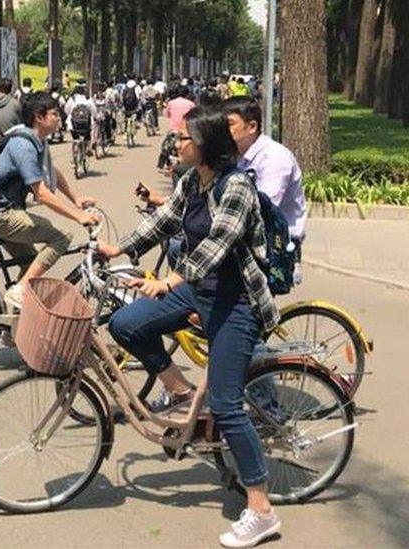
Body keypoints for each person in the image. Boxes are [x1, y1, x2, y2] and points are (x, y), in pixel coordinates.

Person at [100, 106, 280, 548]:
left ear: (206, 146)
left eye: (184, 139)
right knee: (125, 323)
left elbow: (218, 245)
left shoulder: (236, 186)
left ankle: (261, 510)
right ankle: (180, 391)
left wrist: (168, 280)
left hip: (236, 302)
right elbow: (163, 222)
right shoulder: (190, 183)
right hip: (199, 293)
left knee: (227, 406)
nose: (176, 144)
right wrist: (117, 249)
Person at [0, 92, 99, 309]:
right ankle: (20, 291)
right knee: (61, 238)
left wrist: (75, 198)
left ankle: (13, 326)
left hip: (3, 211)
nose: (59, 117)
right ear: (38, 117)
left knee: (33, 264)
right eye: (54, 114)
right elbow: (41, 193)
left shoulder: (36, 140)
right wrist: (78, 216)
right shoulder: (24, 146)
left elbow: (52, 172)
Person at [223, 97, 306, 282]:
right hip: (247, 238)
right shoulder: (237, 155)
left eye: (229, 124)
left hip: (274, 244)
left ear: (251, 127)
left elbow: (260, 209)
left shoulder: (274, 158)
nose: (223, 130)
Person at [64, 80, 99, 156]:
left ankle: (74, 156)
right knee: (88, 136)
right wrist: (96, 117)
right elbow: (94, 111)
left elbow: (66, 110)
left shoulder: (72, 99)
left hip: (73, 125)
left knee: (75, 138)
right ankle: (88, 149)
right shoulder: (88, 99)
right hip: (86, 125)